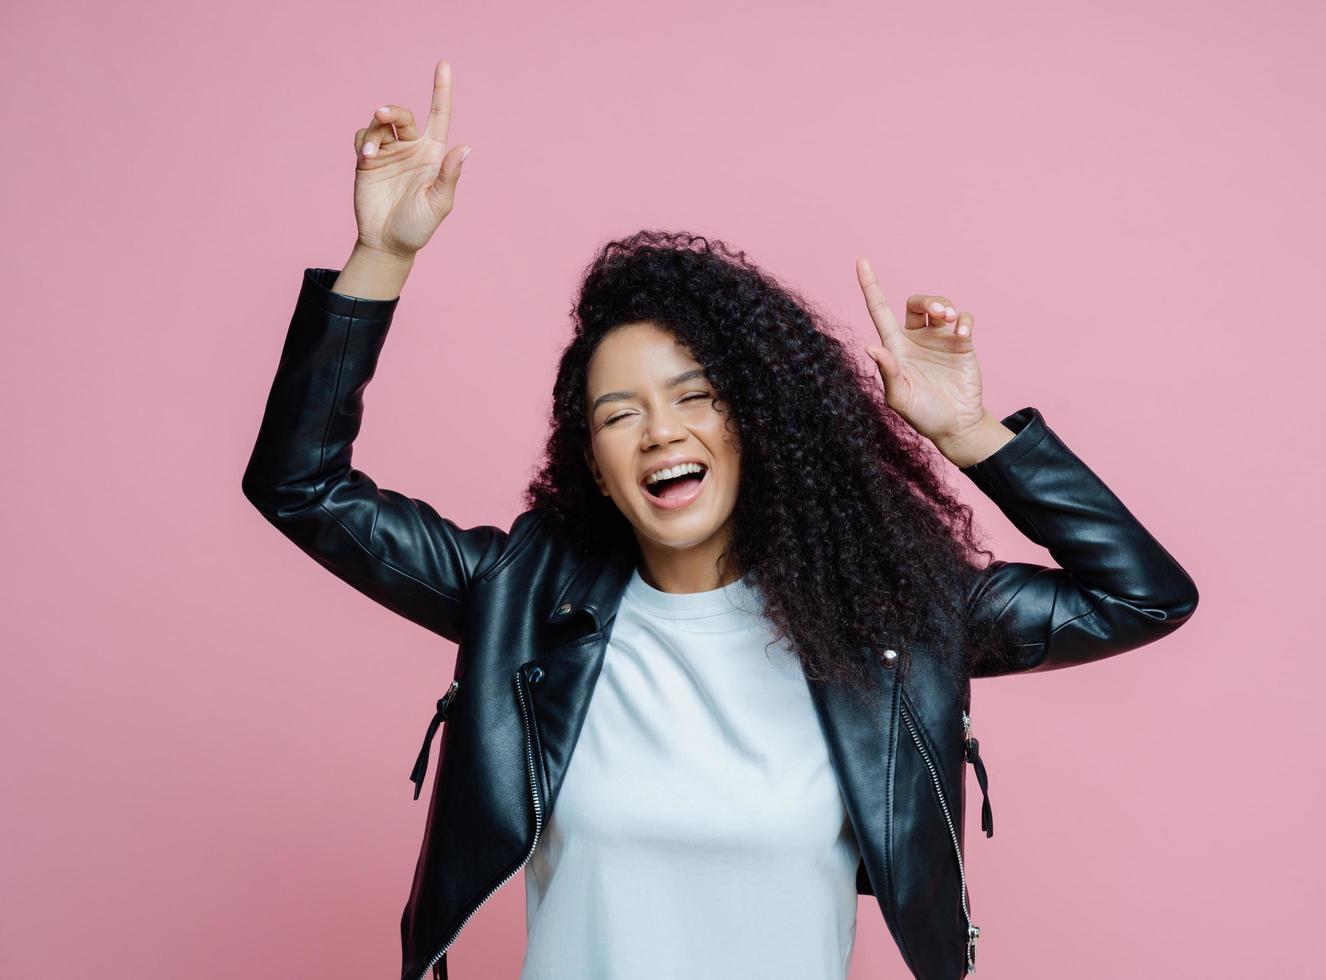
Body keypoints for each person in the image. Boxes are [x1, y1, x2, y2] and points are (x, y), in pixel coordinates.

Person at [242, 59, 1200, 980]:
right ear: (596, 470)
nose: (660, 431)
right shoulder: (520, 599)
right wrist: (383, 255)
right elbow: (302, 487)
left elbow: (1143, 598)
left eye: (695, 397)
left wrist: (972, 432)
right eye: (619, 415)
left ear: (759, 424)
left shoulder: (886, 624)